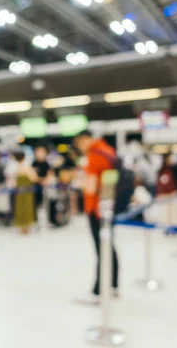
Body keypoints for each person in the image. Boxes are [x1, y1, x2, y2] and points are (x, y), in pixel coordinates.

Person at [73, 130, 118, 305]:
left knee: (101, 250)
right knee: (109, 247)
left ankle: (98, 291)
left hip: (96, 209)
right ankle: (113, 285)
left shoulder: (94, 154)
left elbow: (91, 187)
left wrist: (81, 184)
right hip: (109, 206)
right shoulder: (108, 150)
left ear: (84, 140)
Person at [14, 151, 38, 234]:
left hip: (24, 192)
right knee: (24, 208)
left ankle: (25, 227)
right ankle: (24, 227)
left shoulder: (22, 166)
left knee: (24, 208)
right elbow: (34, 178)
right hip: (24, 192)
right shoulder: (25, 165)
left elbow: (33, 178)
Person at [32, 145, 51, 217]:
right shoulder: (34, 163)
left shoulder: (46, 163)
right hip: (37, 187)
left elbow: (49, 173)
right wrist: (40, 180)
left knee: (46, 205)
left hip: (46, 187)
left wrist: (46, 180)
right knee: (38, 204)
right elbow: (34, 175)